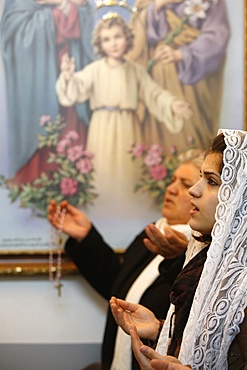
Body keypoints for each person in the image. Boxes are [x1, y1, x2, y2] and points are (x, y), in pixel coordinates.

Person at [48, 149, 203, 370]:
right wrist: (86, 236)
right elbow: (118, 287)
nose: (171, 188)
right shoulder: (153, 232)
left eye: (184, 184)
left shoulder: (206, 252)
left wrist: (178, 259)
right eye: (172, 180)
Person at [110, 130, 247, 370]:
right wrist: (159, 328)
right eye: (199, 178)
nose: (193, 190)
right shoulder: (207, 258)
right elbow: (206, 340)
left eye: (212, 181)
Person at [55, 12, 193, 248]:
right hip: (102, 128)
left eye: (118, 36)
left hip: (129, 128)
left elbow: (153, 93)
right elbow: (75, 90)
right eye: (107, 39)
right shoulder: (95, 69)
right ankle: (105, 212)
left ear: (127, 39)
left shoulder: (135, 70)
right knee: (104, 173)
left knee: (127, 174)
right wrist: (68, 76)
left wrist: (172, 103)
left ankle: (125, 209)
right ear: (100, 44)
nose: (114, 43)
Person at [1, 0, 95, 185]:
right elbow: (11, 29)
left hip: (70, 61)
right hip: (39, 70)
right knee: (44, 122)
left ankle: (72, 179)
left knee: (70, 117)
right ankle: (37, 178)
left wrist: (70, 7)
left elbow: (87, 14)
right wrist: (57, 11)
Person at [127, 0, 230, 152]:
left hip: (192, 80)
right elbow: (137, 31)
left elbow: (217, 36)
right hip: (157, 77)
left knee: (191, 136)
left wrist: (181, 54)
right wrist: (158, 5)